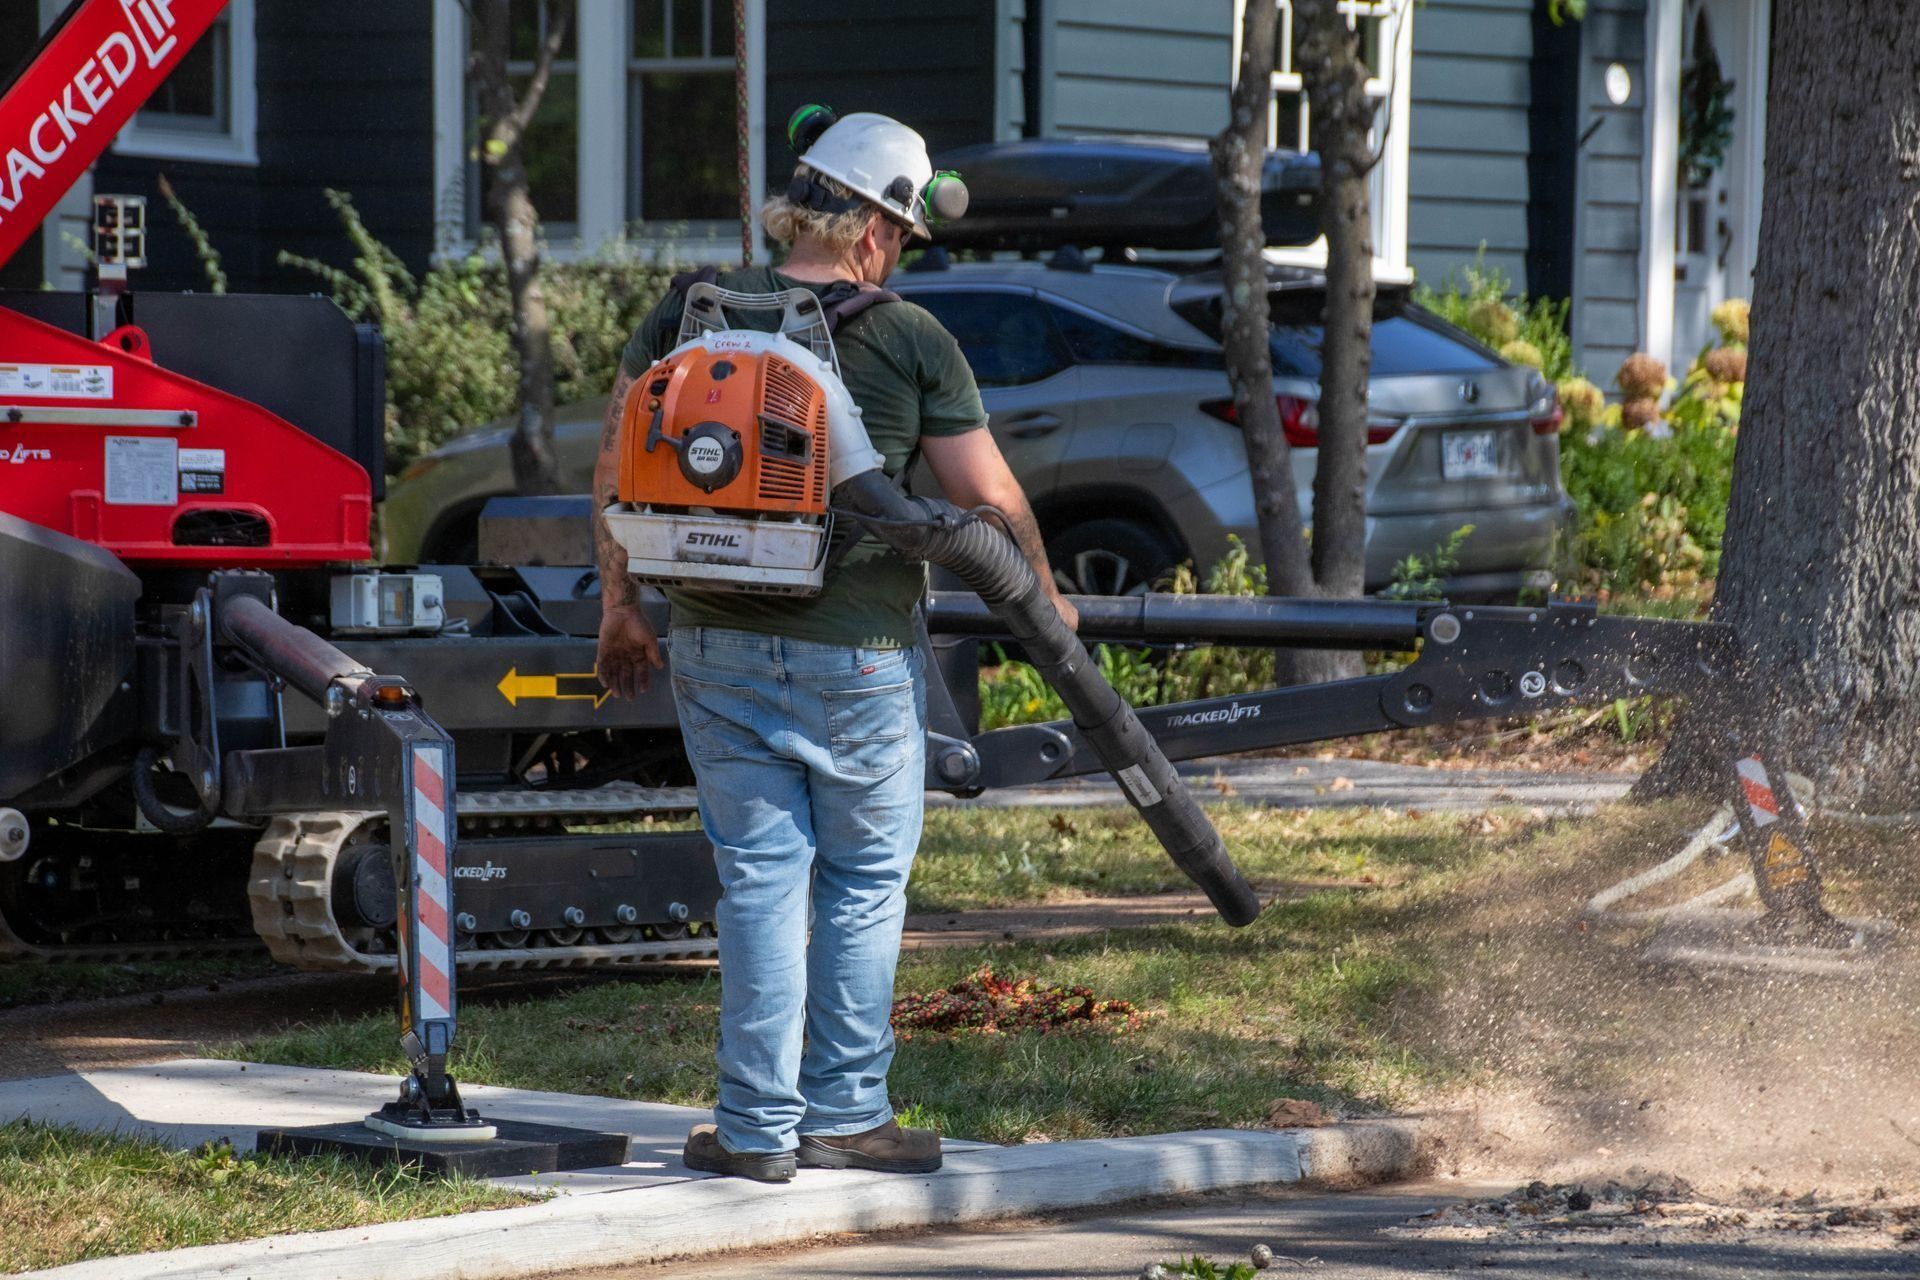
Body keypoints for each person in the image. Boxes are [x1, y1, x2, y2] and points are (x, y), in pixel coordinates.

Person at [590, 111, 1077, 1182]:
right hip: (853, 654)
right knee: (860, 881)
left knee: (761, 879)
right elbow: (985, 497)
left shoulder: (689, 313)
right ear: (870, 233)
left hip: (708, 641)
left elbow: (621, 456)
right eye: (899, 235)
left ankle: (756, 1131)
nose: (897, 255)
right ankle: (847, 1112)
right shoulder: (907, 337)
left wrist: (619, 603)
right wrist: (1045, 595)